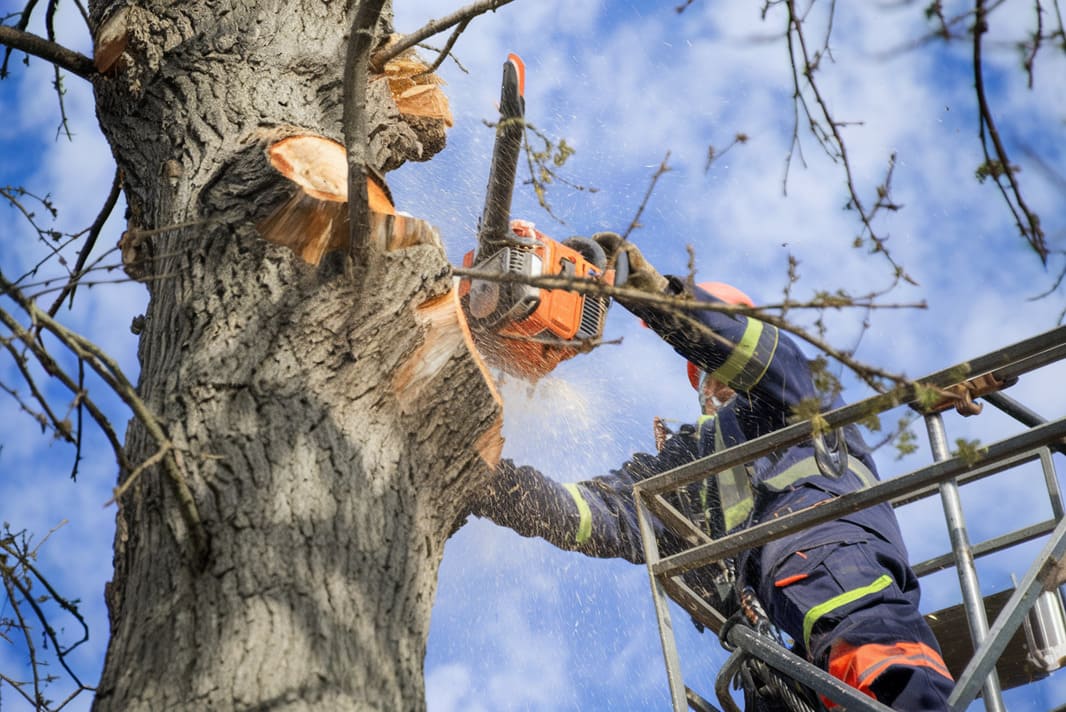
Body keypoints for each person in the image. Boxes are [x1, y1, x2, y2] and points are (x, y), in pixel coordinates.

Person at [472, 234, 955, 711]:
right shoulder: (694, 458)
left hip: (831, 548)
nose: (716, 382)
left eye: (717, 364)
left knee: (875, 662)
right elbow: (607, 513)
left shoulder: (798, 387)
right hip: (768, 614)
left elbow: (745, 349)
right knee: (775, 695)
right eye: (705, 376)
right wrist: (488, 481)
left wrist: (656, 296)